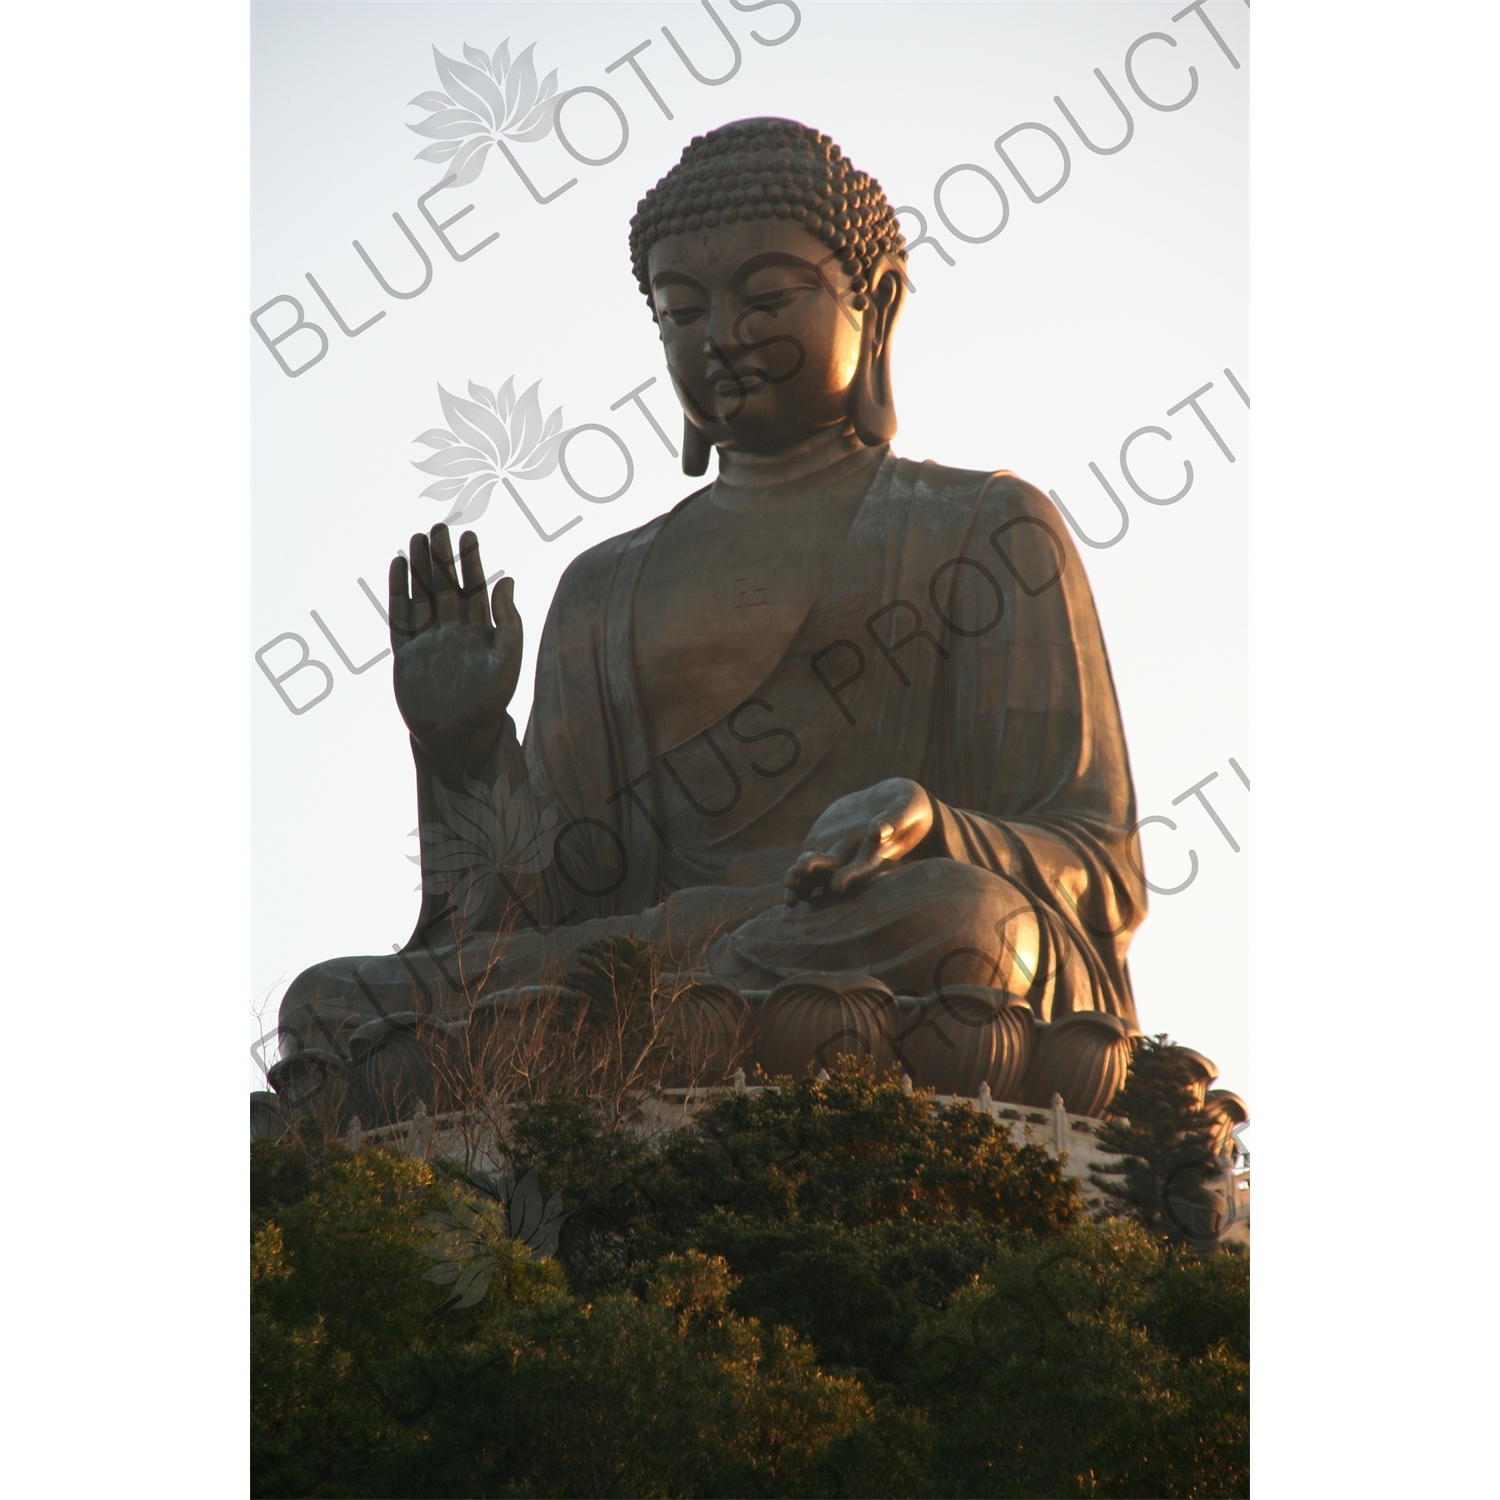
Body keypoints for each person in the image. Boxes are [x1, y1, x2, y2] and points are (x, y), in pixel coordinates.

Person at [271, 118, 1147, 1119]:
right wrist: (464, 743)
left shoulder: (985, 529)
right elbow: (539, 908)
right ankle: (671, 1015)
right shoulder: (605, 584)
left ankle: (690, 1011)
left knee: (975, 929)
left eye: (767, 298)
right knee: (330, 1006)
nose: (721, 337)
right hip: (649, 966)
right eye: (681, 311)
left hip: (865, 942)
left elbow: (1096, 865)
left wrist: (931, 822)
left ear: (881, 304)